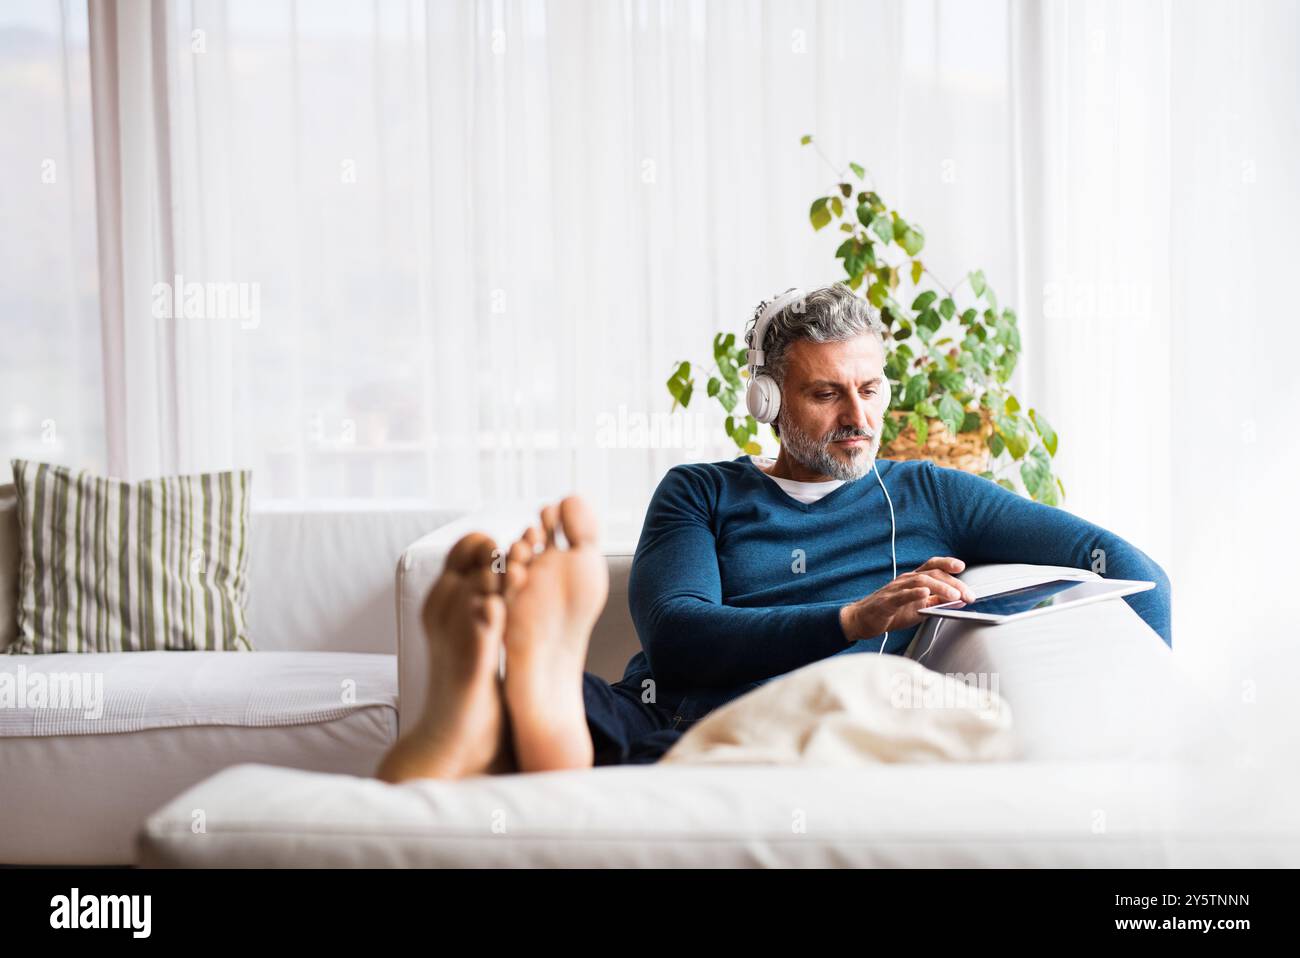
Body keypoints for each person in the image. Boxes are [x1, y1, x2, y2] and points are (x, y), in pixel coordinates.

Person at [376, 283, 1170, 782]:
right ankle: (527, 706)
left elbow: (1132, 571)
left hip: (789, 730)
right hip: (658, 706)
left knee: (606, 753)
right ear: (766, 401)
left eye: (869, 389)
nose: (858, 419)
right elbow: (680, 635)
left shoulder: (930, 492)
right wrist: (853, 618)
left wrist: (1150, 741)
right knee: (571, 715)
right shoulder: (701, 492)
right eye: (827, 393)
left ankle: (535, 732)